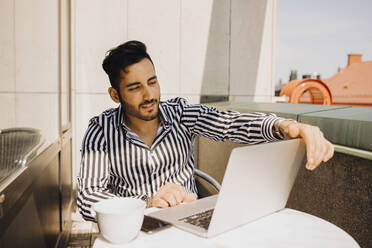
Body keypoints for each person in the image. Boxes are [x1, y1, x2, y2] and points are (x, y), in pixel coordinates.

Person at [77, 40, 334, 222]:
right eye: (134, 87)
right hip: (137, 231)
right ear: (115, 95)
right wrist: (148, 202)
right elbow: (88, 198)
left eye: (152, 82)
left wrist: (287, 126)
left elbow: (230, 123)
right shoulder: (101, 130)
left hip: (190, 225)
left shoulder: (180, 113)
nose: (149, 94)